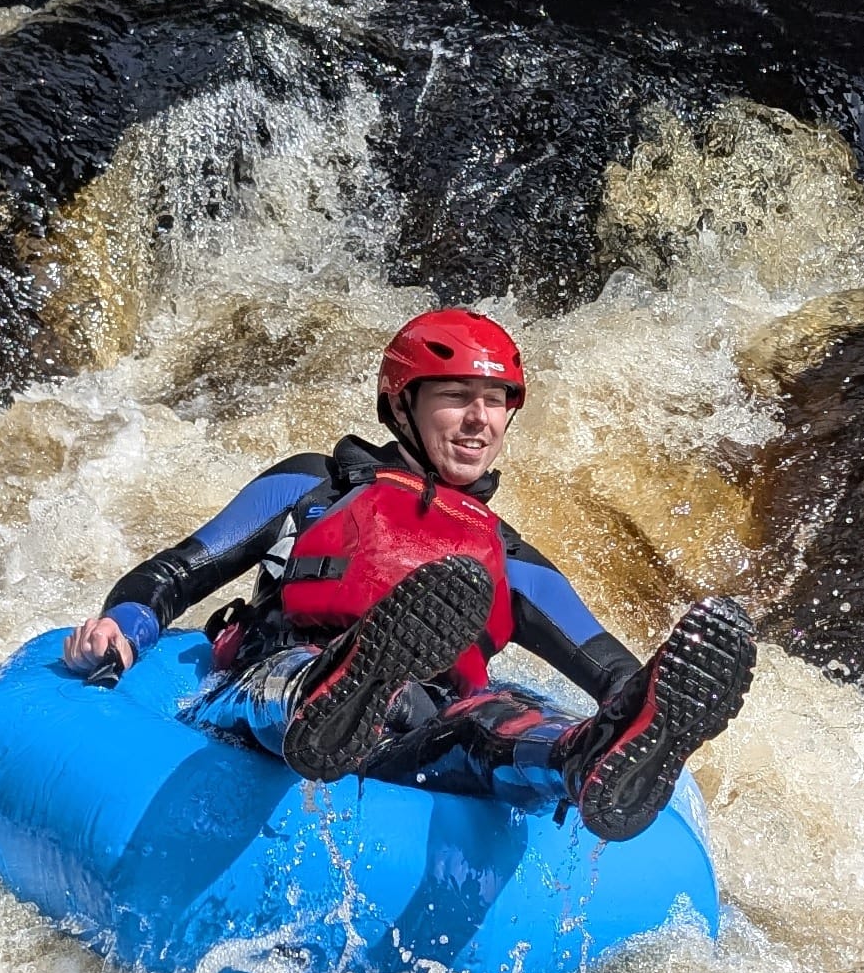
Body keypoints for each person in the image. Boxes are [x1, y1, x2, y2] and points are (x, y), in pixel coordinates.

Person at [63, 309, 754, 841]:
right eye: (457, 396)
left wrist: (645, 713)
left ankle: (579, 758)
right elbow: (177, 571)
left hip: (417, 736)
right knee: (305, 673)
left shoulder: (502, 551)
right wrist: (121, 630)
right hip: (270, 685)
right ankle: (335, 690)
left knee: (491, 718)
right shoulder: (315, 487)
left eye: (496, 400)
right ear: (401, 404)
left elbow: (610, 671)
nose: (480, 419)